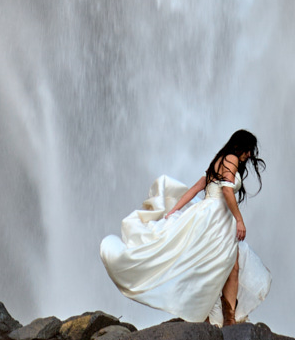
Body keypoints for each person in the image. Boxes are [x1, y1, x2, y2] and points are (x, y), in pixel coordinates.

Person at [99, 130, 271, 326]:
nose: (249, 155)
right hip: (217, 218)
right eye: (248, 149)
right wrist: (239, 220)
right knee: (224, 265)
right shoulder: (231, 159)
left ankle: (222, 316)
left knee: (227, 265)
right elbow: (226, 191)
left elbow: (196, 188)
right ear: (240, 145)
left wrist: (175, 210)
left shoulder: (219, 160)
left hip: (211, 215)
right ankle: (223, 317)